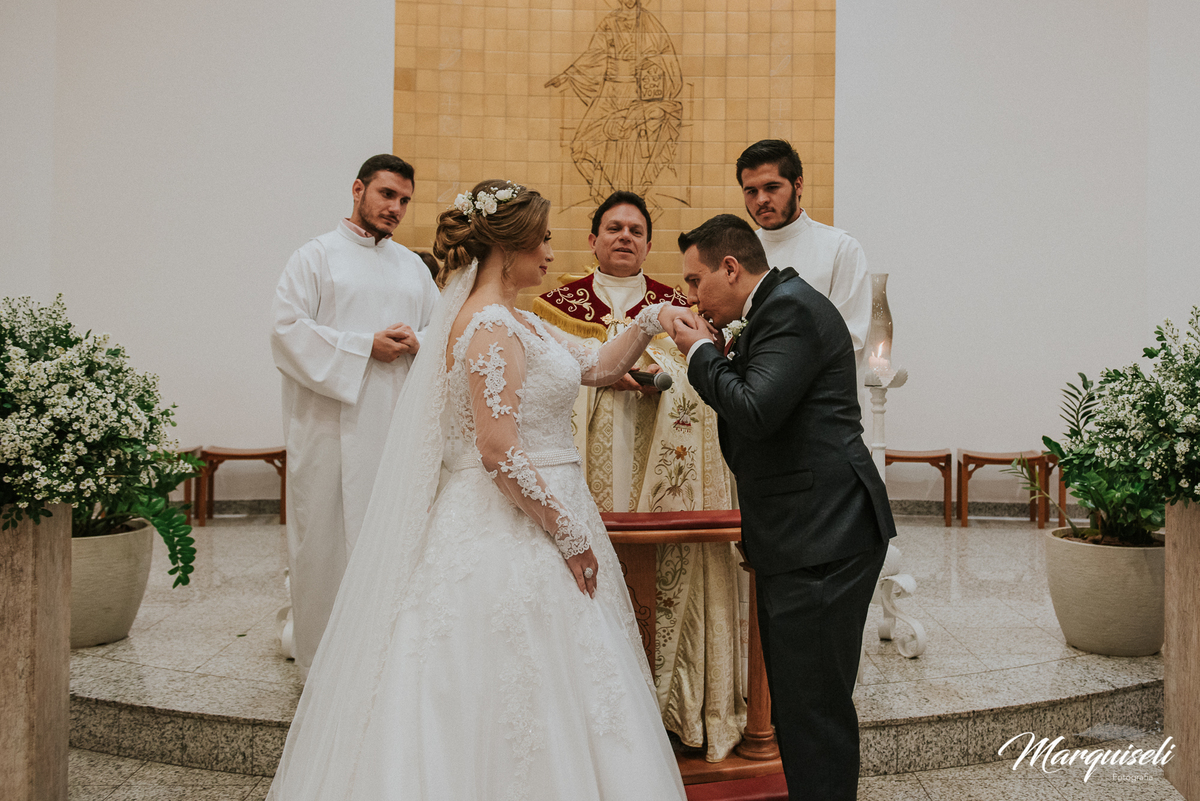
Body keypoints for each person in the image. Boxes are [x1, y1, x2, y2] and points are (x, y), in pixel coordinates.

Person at [267, 180, 696, 800]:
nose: (550, 253)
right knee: (511, 679)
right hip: (509, 527)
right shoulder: (491, 324)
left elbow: (598, 366)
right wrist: (569, 532)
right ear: (510, 245)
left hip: (534, 510)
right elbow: (497, 451)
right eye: (542, 239)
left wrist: (652, 319)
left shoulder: (516, 317)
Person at [667, 214, 896, 800]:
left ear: (731, 267)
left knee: (813, 708)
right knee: (803, 701)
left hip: (825, 530)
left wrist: (698, 352)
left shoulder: (789, 308)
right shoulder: (774, 308)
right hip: (808, 529)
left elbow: (756, 409)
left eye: (696, 282)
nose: (692, 296)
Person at [533, 191, 746, 760]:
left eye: (635, 230)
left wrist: (659, 370)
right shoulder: (553, 305)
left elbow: (706, 367)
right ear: (593, 241)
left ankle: (670, 709)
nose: (625, 236)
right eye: (613, 228)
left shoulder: (680, 303)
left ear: (649, 244)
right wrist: (607, 371)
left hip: (661, 474)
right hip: (591, 480)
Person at [270, 154, 439, 678]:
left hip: (395, 430)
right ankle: (322, 664)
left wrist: (420, 340)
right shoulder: (315, 258)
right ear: (358, 189)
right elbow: (286, 332)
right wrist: (363, 346)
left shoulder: (413, 267)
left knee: (391, 544)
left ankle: (383, 662)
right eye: (387, 194)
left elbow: (445, 331)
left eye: (405, 200)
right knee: (324, 543)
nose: (395, 208)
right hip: (329, 432)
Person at [736, 139, 872, 360]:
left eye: (772, 187)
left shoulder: (841, 248)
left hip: (822, 390)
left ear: (798, 185)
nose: (761, 199)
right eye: (751, 191)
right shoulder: (737, 253)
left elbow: (850, 339)